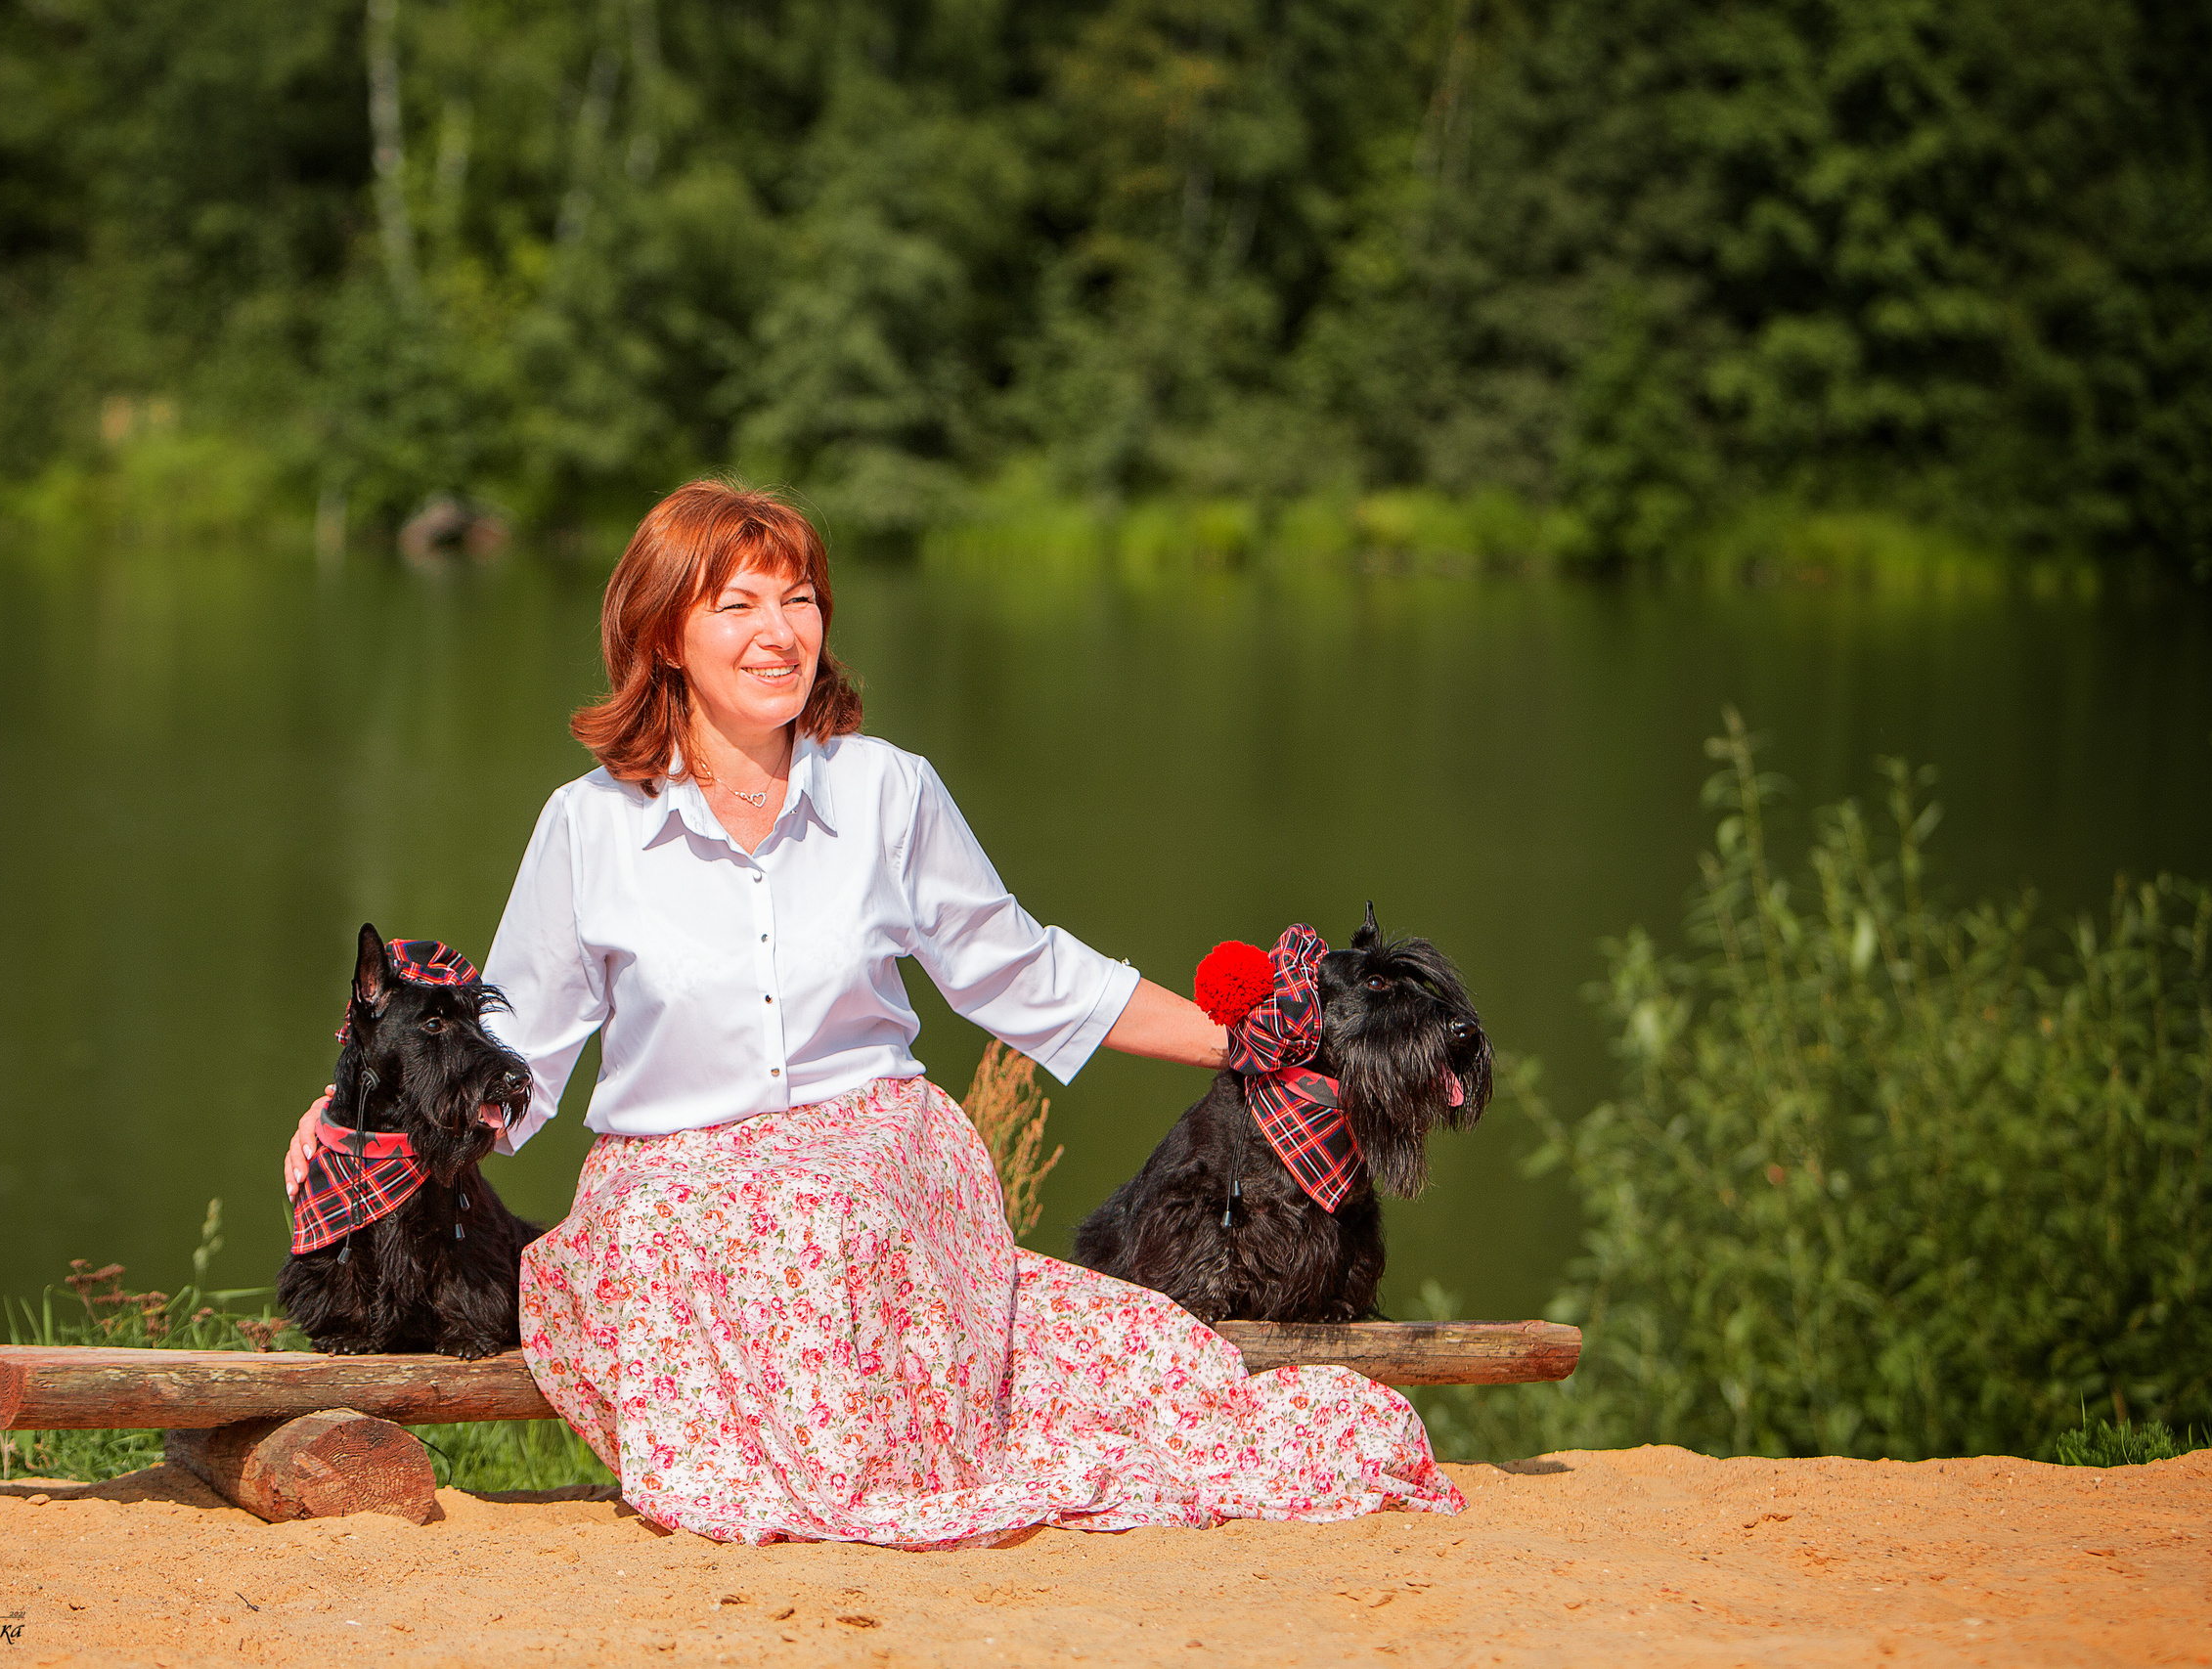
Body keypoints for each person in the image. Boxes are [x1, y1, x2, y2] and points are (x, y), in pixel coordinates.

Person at [285, 479, 1461, 1546]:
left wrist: (1253, 1039)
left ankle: (884, 1470)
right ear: (663, 637)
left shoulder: (885, 787)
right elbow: (519, 1059)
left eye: (798, 598)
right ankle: (826, 1474)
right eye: (737, 603)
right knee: (685, 1236)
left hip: (875, 1143)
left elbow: (1023, 972)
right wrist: (350, 1126)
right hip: (672, 1175)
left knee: (828, 1209)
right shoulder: (587, 824)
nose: (778, 631)